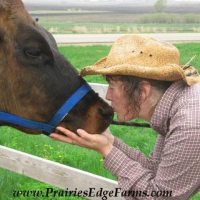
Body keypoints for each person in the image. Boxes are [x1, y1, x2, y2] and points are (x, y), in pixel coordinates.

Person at [50, 35, 200, 199]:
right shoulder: (175, 108)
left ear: (143, 91)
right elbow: (155, 169)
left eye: (113, 87)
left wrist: (106, 150)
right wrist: (111, 142)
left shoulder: (189, 125)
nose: (108, 96)